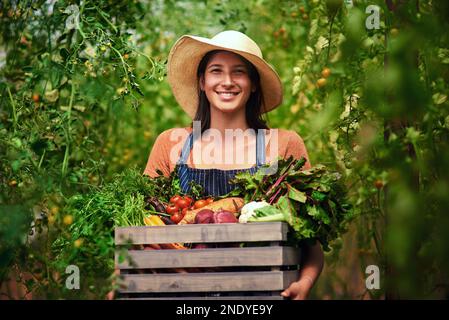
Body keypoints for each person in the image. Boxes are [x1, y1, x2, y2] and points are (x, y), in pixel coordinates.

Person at [143, 30, 324, 300]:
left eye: (239, 72)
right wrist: (123, 280)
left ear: (253, 84)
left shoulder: (284, 145)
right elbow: (141, 234)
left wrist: (305, 282)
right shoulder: (171, 145)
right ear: (202, 81)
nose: (227, 81)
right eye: (216, 71)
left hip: (261, 296)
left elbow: (312, 239)